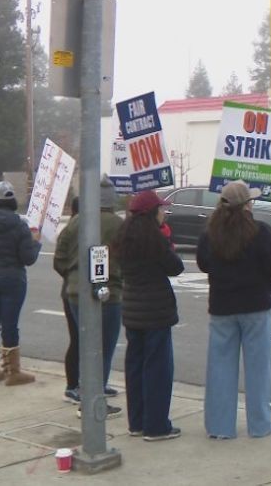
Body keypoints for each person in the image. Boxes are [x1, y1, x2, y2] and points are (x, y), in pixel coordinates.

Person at [197, 180, 271, 440]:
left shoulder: (210, 234)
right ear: (247, 204)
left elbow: (203, 264)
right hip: (255, 305)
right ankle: (260, 424)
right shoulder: (260, 231)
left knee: (220, 368)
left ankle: (220, 427)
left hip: (222, 306)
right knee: (258, 370)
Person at [113, 189, 185, 441]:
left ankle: (137, 423)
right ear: (152, 212)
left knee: (135, 367)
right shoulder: (155, 239)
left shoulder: (124, 237)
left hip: (132, 310)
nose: (164, 212)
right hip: (155, 313)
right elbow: (176, 267)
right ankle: (156, 426)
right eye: (161, 209)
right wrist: (169, 245)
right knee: (157, 369)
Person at [54, 178, 124, 418]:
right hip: (108, 293)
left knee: (85, 344)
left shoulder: (75, 222)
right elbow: (126, 258)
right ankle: (93, 400)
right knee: (103, 348)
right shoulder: (117, 225)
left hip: (75, 292)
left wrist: (74, 275)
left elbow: (59, 257)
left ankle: (88, 391)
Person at [0, 181, 41, 386]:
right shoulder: (19, 225)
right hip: (12, 279)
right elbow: (28, 259)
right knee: (9, 324)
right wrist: (36, 242)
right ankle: (12, 372)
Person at [53, 197, 81, 402]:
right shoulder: (72, 230)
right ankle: (72, 385)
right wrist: (72, 274)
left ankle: (78, 384)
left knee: (81, 339)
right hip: (73, 292)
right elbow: (58, 262)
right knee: (79, 340)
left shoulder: (71, 229)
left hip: (72, 290)